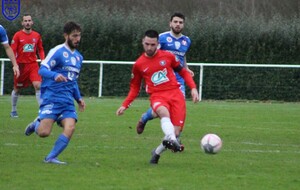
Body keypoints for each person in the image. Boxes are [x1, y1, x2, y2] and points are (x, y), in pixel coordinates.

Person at [116, 29, 199, 164]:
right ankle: (172, 139)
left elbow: (183, 72)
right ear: (143, 42)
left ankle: (157, 152)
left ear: (158, 44)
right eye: (147, 44)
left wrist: (193, 88)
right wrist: (125, 105)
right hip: (157, 96)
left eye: (153, 45)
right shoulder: (138, 64)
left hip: (176, 94)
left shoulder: (168, 56)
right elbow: (135, 87)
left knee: (176, 132)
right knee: (162, 112)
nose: (149, 47)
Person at [24, 21, 86, 165]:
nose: (77, 39)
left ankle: (50, 157)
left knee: (70, 127)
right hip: (52, 97)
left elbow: (73, 80)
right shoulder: (57, 51)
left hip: (67, 101)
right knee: (44, 133)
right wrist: (54, 76)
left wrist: (78, 98)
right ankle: (36, 124)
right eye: (74, 36)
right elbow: (42, 69)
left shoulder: (79, 58)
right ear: (66, 36)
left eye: (79, 36)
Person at [136, 12, 194, 134]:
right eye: (175, 22)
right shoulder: (162, 38)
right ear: (170, 23)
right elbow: (152, 56)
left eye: (180, 22)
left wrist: (186, 68)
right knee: (160, 111)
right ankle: (145, 117)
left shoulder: (186, 41)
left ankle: (175, 139)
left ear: (183, 25)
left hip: (178, 80)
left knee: (178, 110)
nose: (178, 24)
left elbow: (182, 56)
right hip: (163, 80)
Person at [10, 14, 45, 118]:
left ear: (32, 22)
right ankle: (13, 110)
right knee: (17, 89)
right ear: (22, 23)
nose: (27, 22)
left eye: (29, 20)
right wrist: (15, 64)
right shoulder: (17, 35)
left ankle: (42, 111)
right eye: (25, 21)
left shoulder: (37, 35)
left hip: (33, 65)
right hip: (20, 66)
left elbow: (41, 49)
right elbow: (12, 51)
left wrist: (43, 60)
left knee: (38, 86)